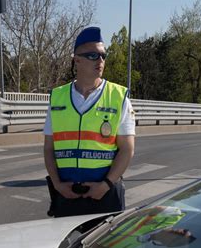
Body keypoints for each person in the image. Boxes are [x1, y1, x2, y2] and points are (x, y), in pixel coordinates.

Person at [43, 26, 135, 218]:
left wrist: (106, 184)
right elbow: (49, 148)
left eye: (103, 55)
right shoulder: (58, 98)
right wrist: (58, 185)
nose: (100, 60)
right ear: (77, 59)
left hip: (105, 194)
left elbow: (127, 149)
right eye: (93, 55)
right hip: (66, 194)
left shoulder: (118, 97)